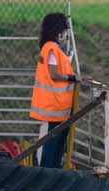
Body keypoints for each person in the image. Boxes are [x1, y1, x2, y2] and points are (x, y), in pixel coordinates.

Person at [30, 12, 77, 170]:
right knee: (53, 140)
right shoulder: (51, 48)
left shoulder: (52, 47)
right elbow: (53, 74)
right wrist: (73, 78)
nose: (64, 33)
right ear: (58, 30)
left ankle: (53, 168)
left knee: (58, 138)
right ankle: (48, 170)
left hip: (59, 102)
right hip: (56, 102)